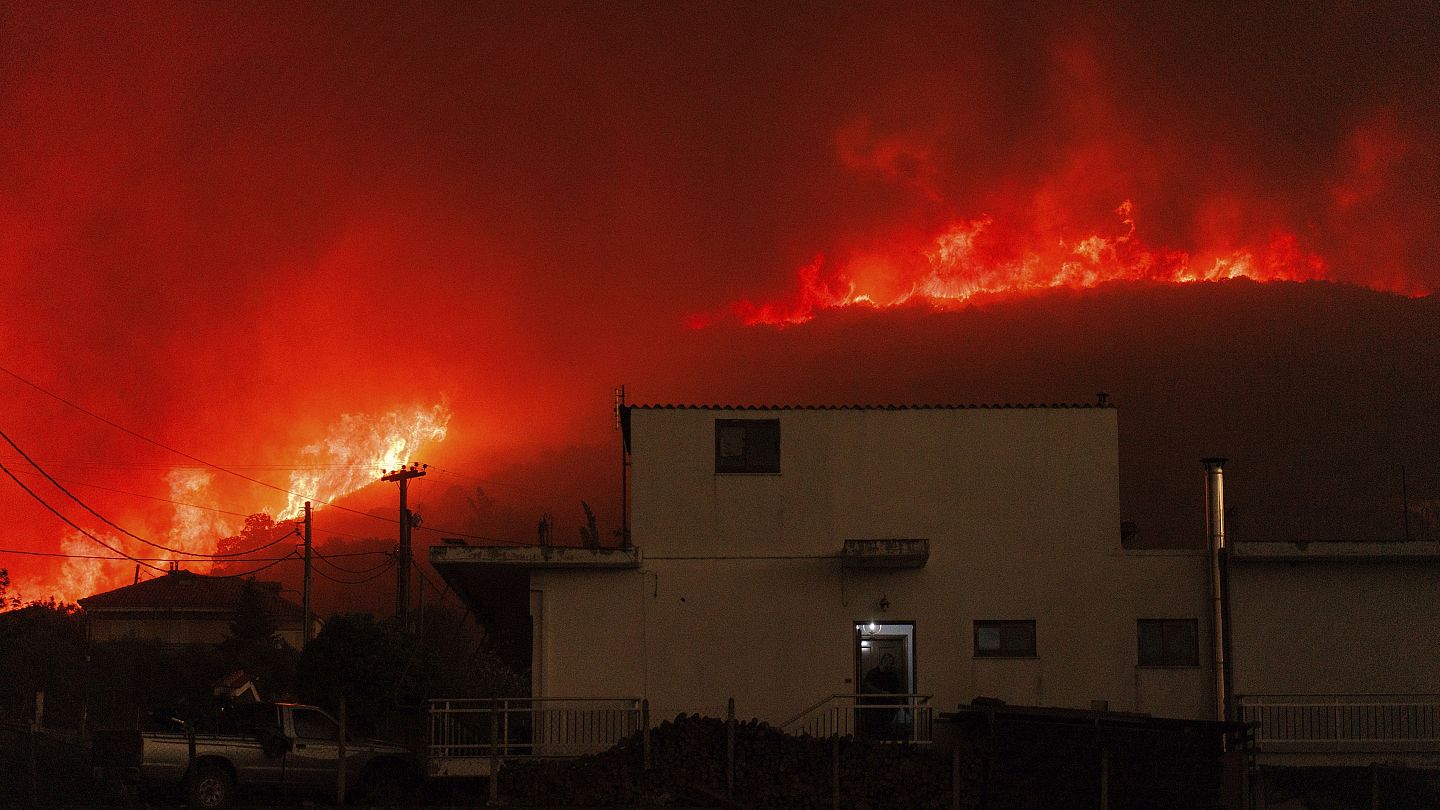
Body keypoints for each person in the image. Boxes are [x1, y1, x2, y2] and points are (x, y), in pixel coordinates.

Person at [860, 653, 902, 739]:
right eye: (890, 663)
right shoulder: (872, 673)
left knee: (888, 731)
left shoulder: (892, 675)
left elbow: (897, 689)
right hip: (874, 708)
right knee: (874, 732)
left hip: (889, 709)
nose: (891, 665)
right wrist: (882, 693)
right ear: (884, 661)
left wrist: (897, 702)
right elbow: (867, 688)